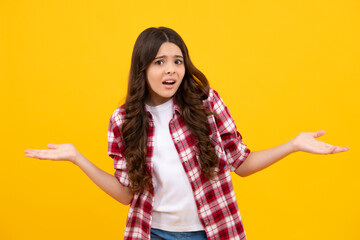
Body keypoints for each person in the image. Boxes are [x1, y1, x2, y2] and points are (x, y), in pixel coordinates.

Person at [24, 27, 350, 240]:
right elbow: (127, 194)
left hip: (213, 232)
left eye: (177, 61)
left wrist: (293, 144)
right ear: (143, 68)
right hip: (153, 233)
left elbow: (242, 163)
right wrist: (77, 158)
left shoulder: (207, 104)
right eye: (159, 61)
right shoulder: (124, 120)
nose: (171, 69)